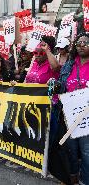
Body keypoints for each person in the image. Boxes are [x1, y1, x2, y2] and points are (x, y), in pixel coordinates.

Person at [49, 32, 89, 185]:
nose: (81, 46)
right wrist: (55, 84)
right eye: (79, 43)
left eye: (85, 43)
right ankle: (71, 178)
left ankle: (85, 181)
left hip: (86, 118)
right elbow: (61, 85)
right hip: (68, 116)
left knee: (86, 152)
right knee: (70, 151)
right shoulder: (70, 64)